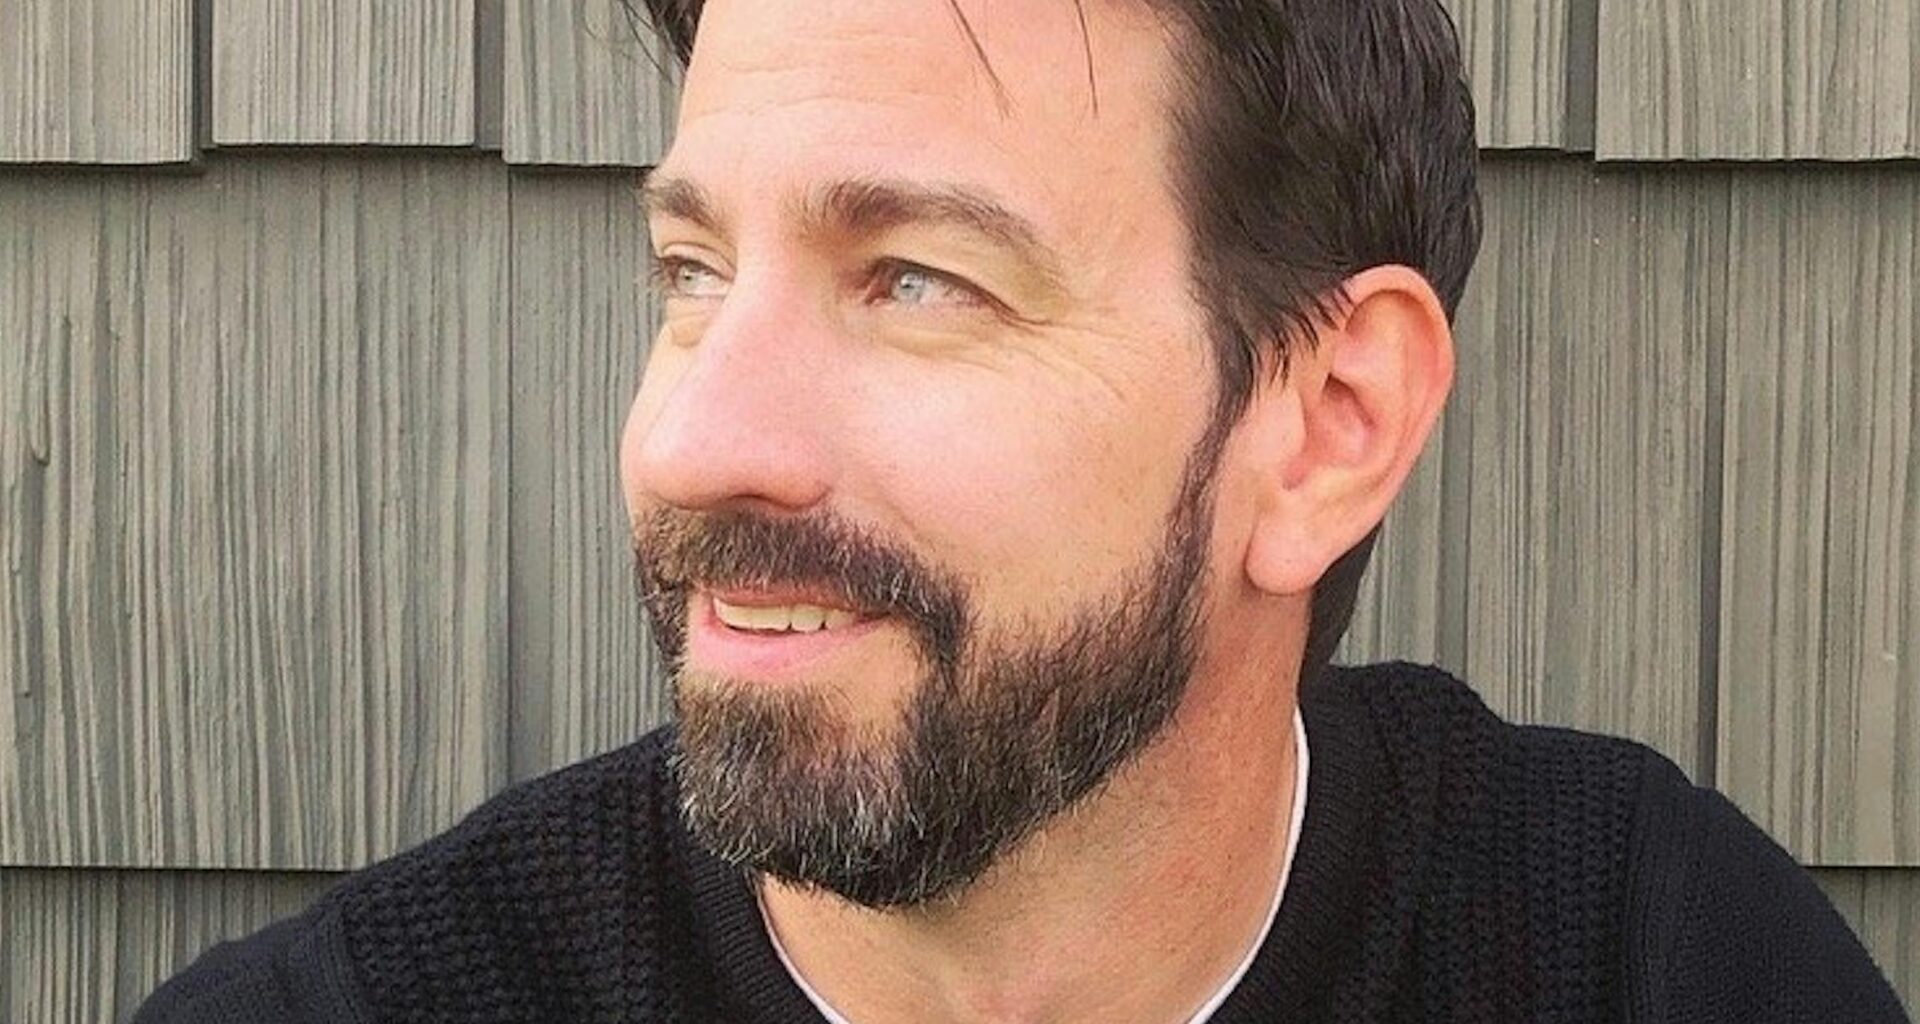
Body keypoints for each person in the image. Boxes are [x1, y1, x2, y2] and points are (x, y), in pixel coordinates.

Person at [138, 1, 1909, 1021]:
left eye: (915, 277)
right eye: (694, 270)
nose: (690, 442)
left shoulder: (1652, 962)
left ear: (1327, 428)